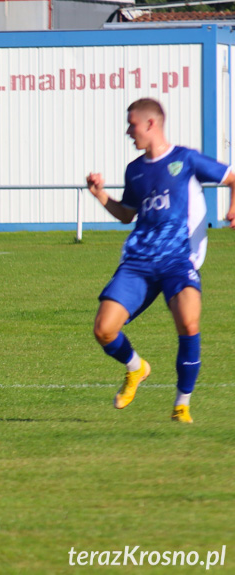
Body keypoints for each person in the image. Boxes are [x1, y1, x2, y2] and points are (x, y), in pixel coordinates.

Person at [86, 98, 235, 423]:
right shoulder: (135, 170)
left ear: (151, 124)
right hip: (138, 262)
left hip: (177, 261)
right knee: (103, 329)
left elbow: (232, 177)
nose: (128, 132)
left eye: (132, 124)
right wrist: (100, 195)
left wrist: (233, 207)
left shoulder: (185, 158)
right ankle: (136, 367)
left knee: (189, 323)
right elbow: (127, 214)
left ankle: (182, 404)